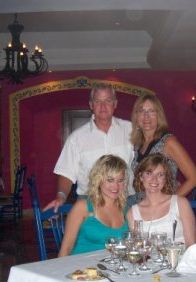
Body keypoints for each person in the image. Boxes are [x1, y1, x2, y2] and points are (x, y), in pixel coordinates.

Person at [45, 83, 134, 212]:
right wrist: (61, 197)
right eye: (98, 101)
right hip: (90, 203)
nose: (103, 106)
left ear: (115, 104)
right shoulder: (76, 138)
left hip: (126, 202)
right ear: (91, 105)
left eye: (107, 101)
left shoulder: (131, 130)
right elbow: (66, 173)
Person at [130, 94, 196, 199]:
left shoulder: (168, 142)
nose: (146, 116)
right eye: (142, 111)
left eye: (151, 111)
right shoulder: (137, 145)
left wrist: (168, 203)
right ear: (136, 116)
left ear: (159, 116)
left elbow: (194, 179)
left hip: (164, 212)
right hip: (142, 206)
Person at [58, 155, 129, 256]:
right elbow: (66, 249)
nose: (116, 186)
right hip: (81, 268)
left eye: (120, 180)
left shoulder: (125, 209)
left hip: (113, 268)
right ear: (98, 180)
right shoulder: (82, 207)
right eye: (110, 180)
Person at [126, 153, 196, 247]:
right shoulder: (132, 213)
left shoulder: (180, 203)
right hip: (149, 261)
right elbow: (138, 249)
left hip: (181, 260)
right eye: (149, 173)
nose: (154, 179)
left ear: (165, 178)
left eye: (160, 175)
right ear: (141, 177)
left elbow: (192, 245)